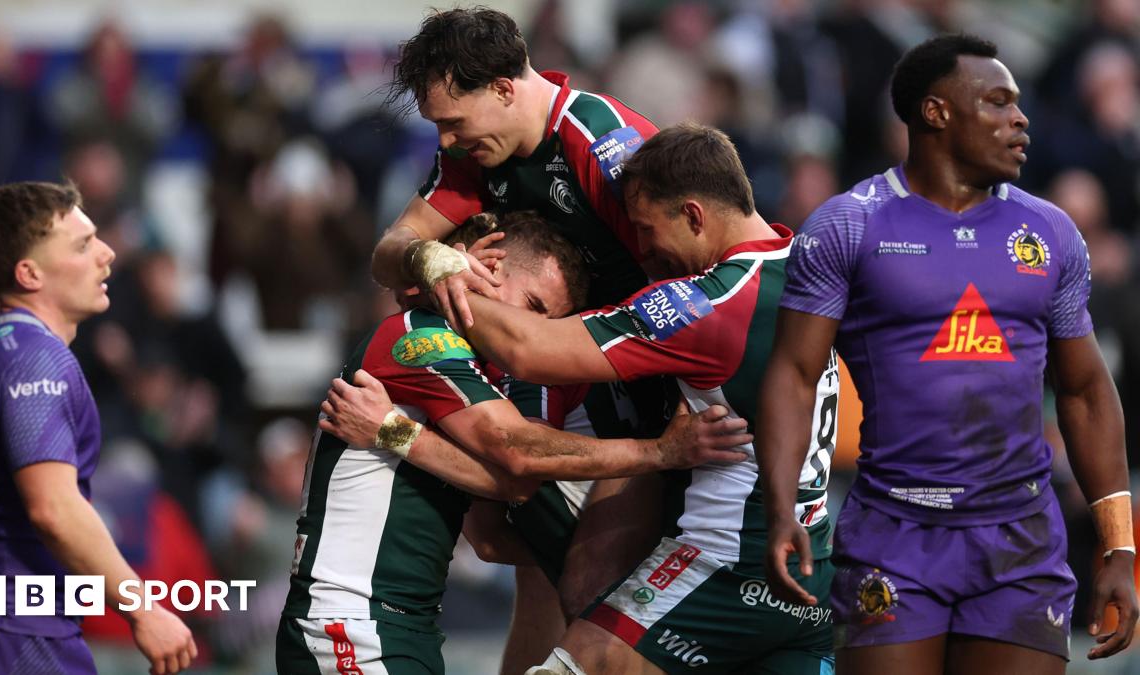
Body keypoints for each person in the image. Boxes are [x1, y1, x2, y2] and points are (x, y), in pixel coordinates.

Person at [325, 123, 840, 675]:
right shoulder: (803, 266)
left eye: (646, 229)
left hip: (728, 566)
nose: (643, 250)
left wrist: (438, 277)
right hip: (810, 565)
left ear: (693, 215)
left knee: (578, 603)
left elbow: (523, 388)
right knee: (564, 585)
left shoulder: (706, 304)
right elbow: (494, 526)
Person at [757, 33, 1138, 675]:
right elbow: (794, 375)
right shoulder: (848, 226)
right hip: (892, 535)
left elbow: (1086, 391)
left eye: (1017, 103)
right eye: (998, 102)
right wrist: (783, 508)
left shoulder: (1049, 232)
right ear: (935, 113)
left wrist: (1119, 548)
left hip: (1021, 542)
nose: (1020, 119)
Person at [278, 212, 748, 674]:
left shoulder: (471, 377)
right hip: (349, 622)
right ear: (488, 265)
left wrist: (393, 432)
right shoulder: (420, 336)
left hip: (403, 626)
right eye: (534, 305)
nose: (532, 331)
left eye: (548, 321)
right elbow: (518, 449)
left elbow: (508, 495)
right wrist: (662, 452)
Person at [375, 7, 674, 666]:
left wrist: (679, 427)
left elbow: (699, 281)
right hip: (578, 378)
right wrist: (427, 258)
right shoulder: (475, 154)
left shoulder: (605, 148)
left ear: (504, 88)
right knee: (524, 558)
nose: (447, 140)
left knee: (589, 584)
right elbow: (390, 250)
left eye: (454, 121)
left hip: (663, 390)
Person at [0, 182, 196, 673]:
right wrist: (143, 609)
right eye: (82, 245)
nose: (107, 254)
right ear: (29, 273)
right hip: (17, 635)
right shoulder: (35, 360)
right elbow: (53, 508)